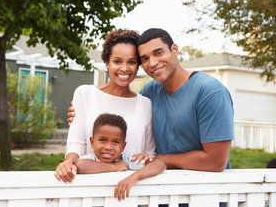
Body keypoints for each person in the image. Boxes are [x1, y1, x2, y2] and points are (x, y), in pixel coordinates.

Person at [68, 28, 234, 172]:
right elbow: (120, 115)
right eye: (145, 58)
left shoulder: (210, 92)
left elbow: (216, 161)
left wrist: (160, 159)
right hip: (159, 190)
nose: (153, 63)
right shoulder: (151, 92)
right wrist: (82, 116)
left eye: (158, 52)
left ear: (174, 49)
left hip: (205, 191)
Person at [55, 29, 156, 183]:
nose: (124, 68)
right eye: (117, 61)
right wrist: (69, 161)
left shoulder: (146, 103)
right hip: (91, 185)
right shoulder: (85, 94)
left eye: (131, 62)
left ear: (138, 66)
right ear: (107, 63)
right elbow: (77, 142)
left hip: (131, 189)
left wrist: (147, 157)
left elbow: (150, 152)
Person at [75, 113, 166, 201]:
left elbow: (160, 165)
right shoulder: (91, 159)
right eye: (102, 140)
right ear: (92, 142)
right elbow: (80, 165)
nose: (108, 147)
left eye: (116, 142)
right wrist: (114, 167)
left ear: (123, 146)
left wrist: (134, 177)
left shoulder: (126, 160)